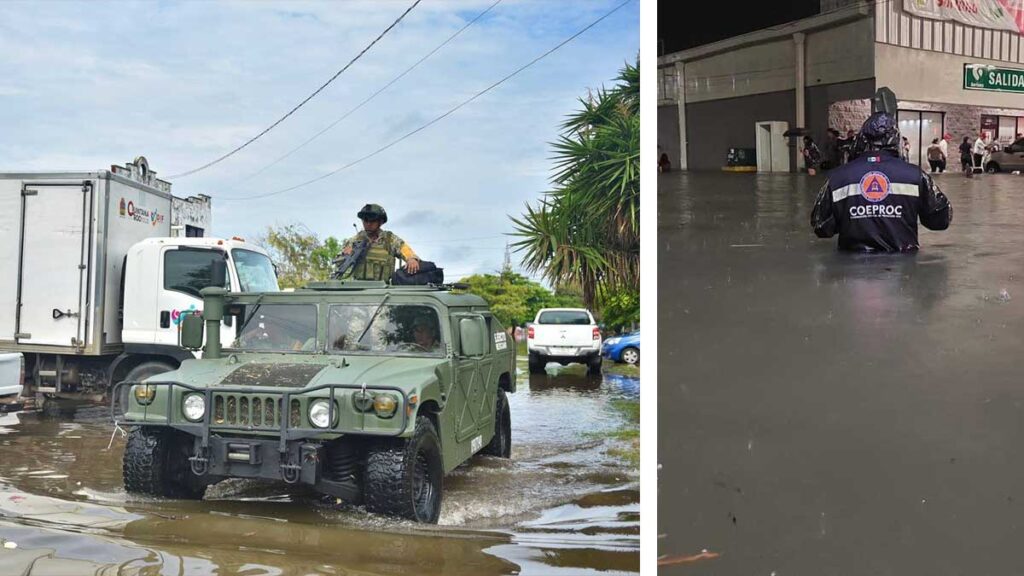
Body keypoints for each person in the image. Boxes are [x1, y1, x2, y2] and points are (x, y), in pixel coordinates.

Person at [810, 93, 952, 252]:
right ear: (896, 139)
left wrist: (851, 215)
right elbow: (940, 220)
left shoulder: (838, 177)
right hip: (903, 268)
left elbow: (821, 225)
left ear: (861, 139)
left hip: (851, 268)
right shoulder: (916, 176)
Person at [336, 204, 420, 282]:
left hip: (383, 289)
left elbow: (404, 249)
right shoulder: (355, 240)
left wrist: (411, 259)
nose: (368, 224)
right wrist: (345, 254)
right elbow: (339, 264)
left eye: (372, 221)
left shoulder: (390, 240)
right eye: (365, 220)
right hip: (359, 289)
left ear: (380, 222)